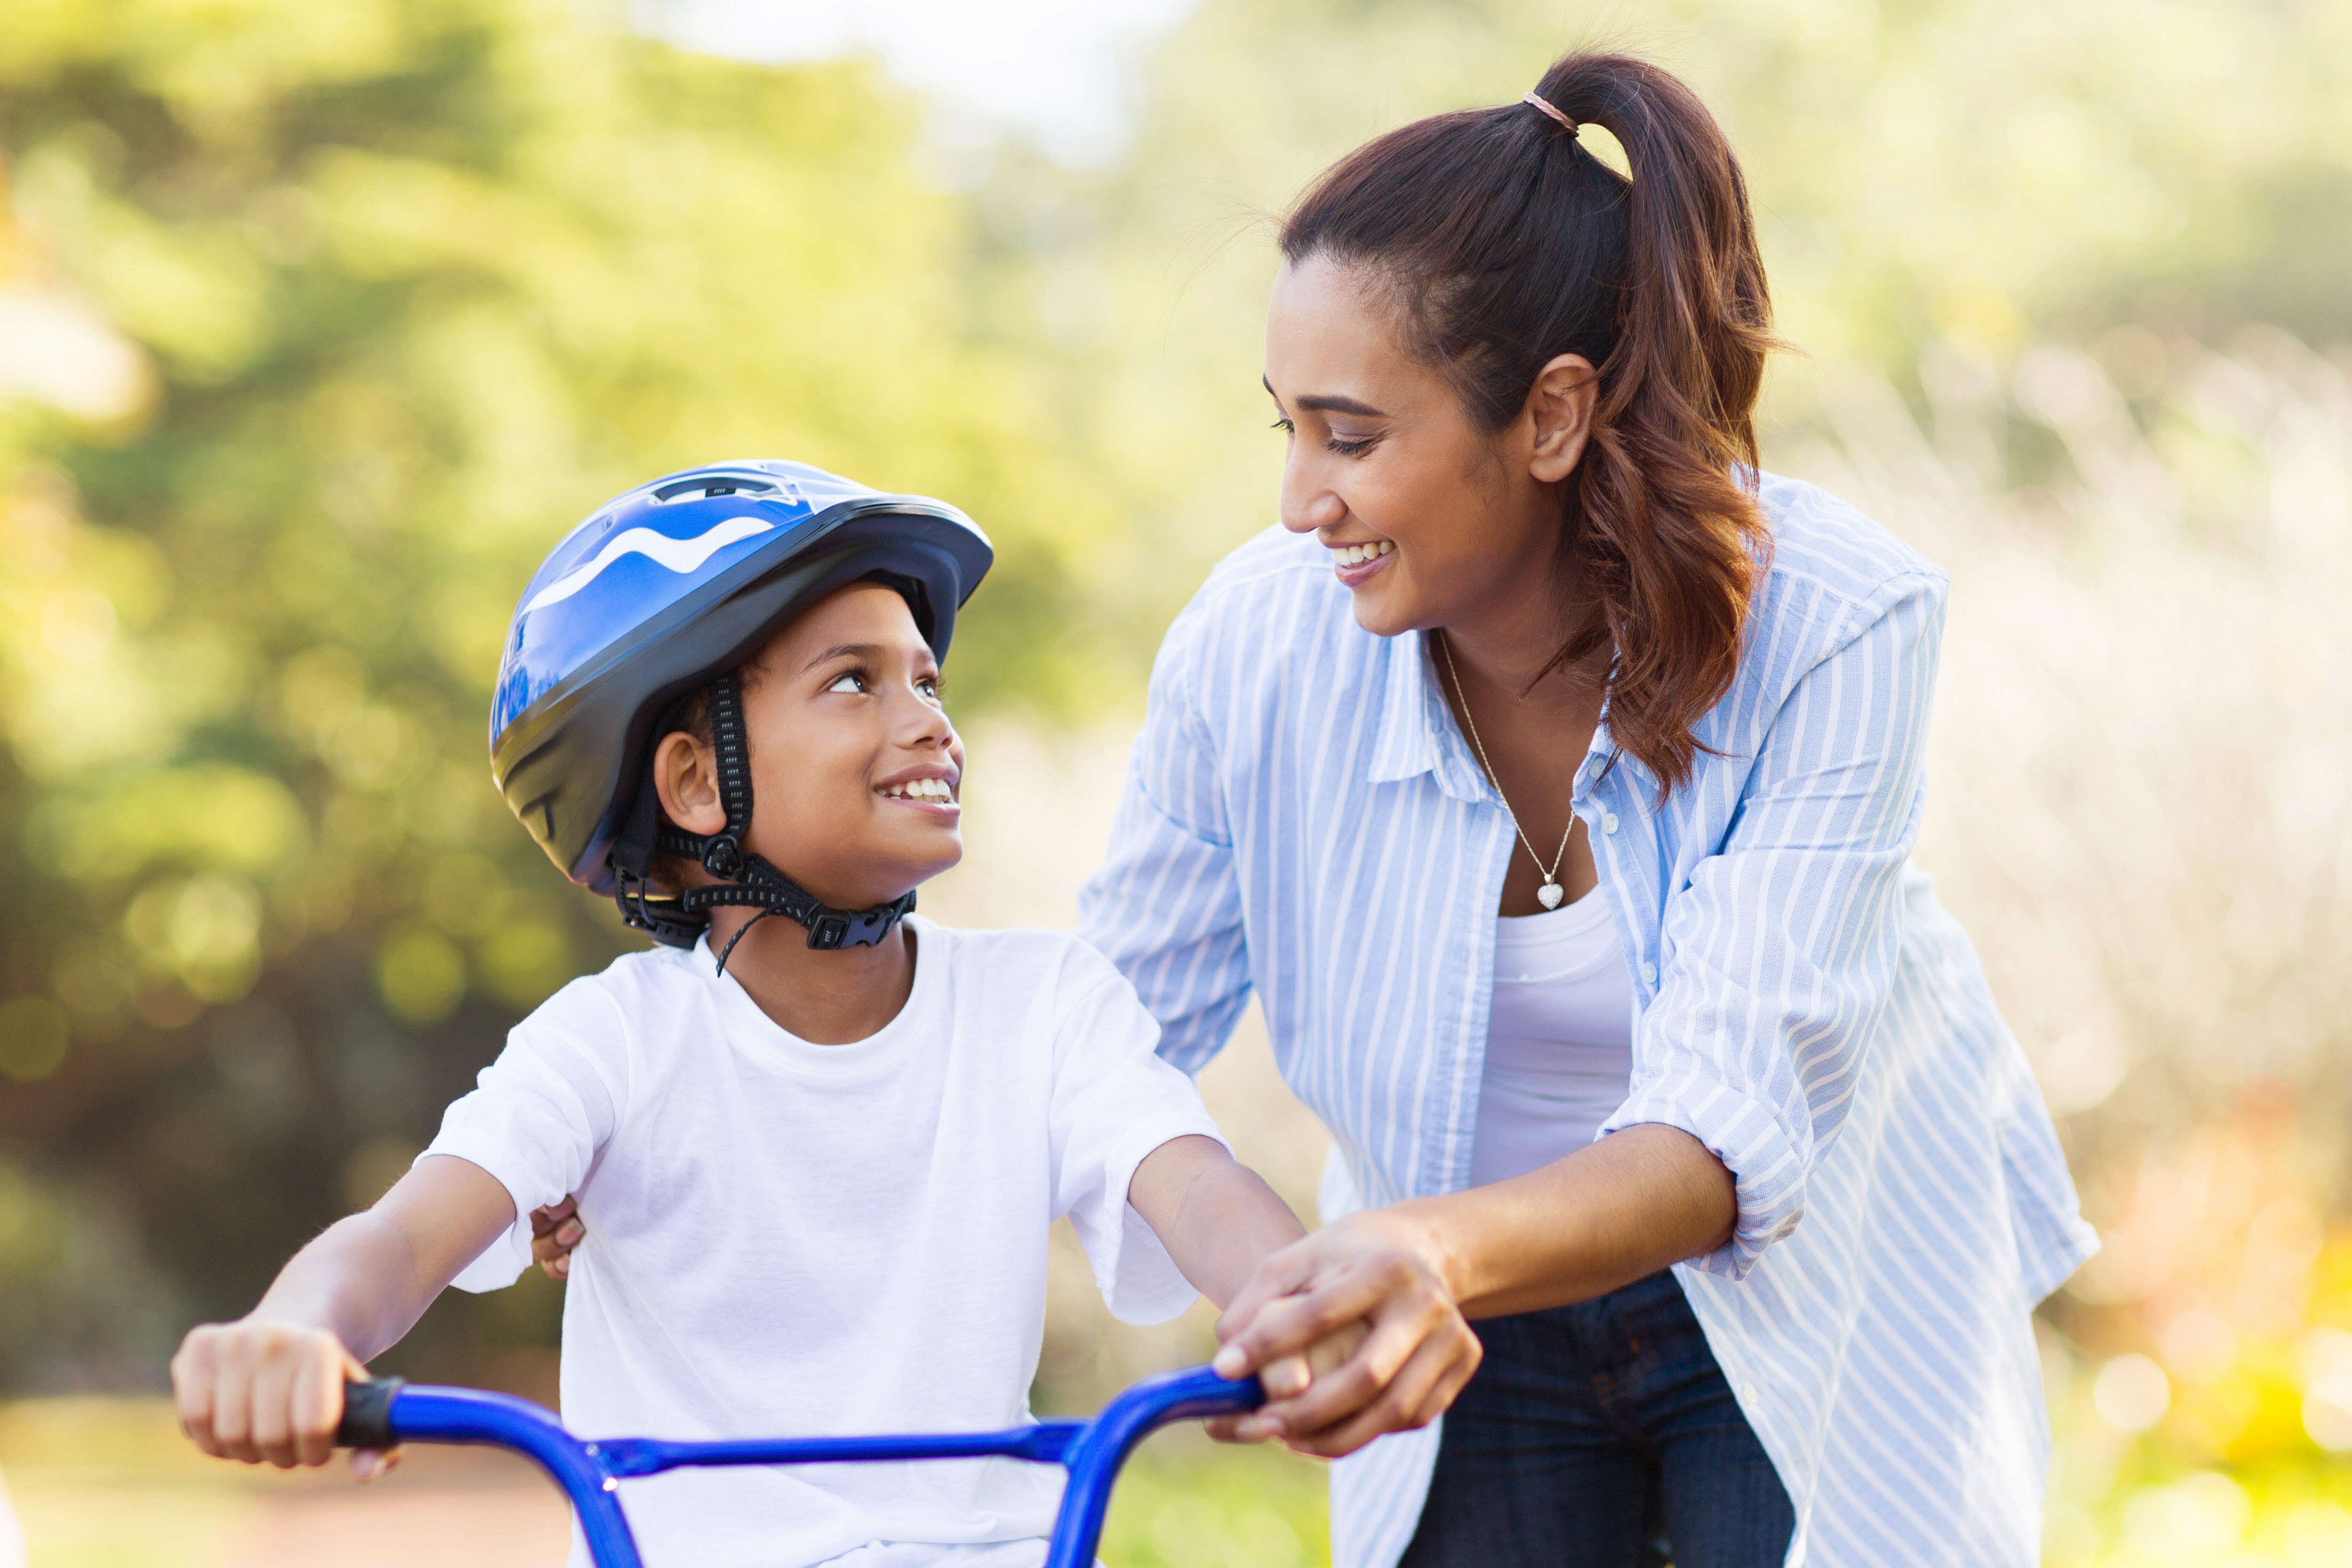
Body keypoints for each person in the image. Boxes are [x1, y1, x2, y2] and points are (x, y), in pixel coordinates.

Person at [532, 52, 2100, 1568]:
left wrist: (1422, 1252)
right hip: (1453, 1322)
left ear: (1548, 419)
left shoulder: (1835, 623)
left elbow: (1721, 1133)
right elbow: (1096, 1032)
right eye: (1282, 425)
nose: (1298, 501)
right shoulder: (1256, 644)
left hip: (1810, 1279)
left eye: (1349, 437)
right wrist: (690, 1138)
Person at [168, 462, 1333, 1568]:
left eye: (926, 679)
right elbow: (401, 1239)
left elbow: (1190, 1183)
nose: (931, 719)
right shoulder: (614, 1041)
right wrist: (298, 1330)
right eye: (854, 682)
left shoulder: (1043, 1006)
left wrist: (1300, 1304)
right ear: (693, 782)